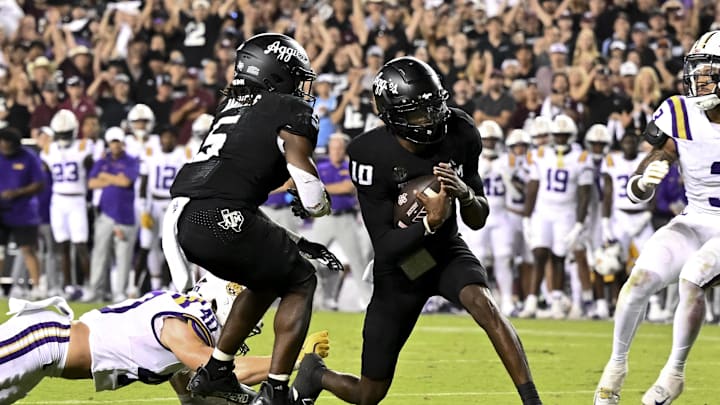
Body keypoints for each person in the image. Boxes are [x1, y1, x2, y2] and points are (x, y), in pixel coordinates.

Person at [322, 56, 542, 405]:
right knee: (368, 395)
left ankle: (533, 401)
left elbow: (477, 217)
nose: (431, 119)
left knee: (485, 305)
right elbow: (385, 245)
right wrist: (428, 222)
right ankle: (316, 375)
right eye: (417, 113)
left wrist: (465, 193)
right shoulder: (368, 153)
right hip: (400, 268)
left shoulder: (461, 130)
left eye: (434, 107)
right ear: (391, 115)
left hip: (444, 251)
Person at [167, 33, 333, 405]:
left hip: (183, 216)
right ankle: (276, 389)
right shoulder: (288, 107)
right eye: (296, 75)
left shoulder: (229, 108)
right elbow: (310, 192)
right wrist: (321, 202)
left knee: (265, 277)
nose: (301, 86)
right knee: (302, 278)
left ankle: (216, 371)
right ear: (275, 74)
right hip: (219, 214)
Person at [594, 31, 720, 405]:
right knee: (639, 281)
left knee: (693, 277)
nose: (698, 80)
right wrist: (641, 183)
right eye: (696, 72)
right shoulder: (680, 111)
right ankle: (615, 368)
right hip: (695, 217)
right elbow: (660, 154)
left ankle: (674, 373)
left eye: (708, 72)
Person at [0, 274, 330, 405]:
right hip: (41, 342)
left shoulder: (188, 328)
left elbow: (196, 389)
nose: (249, 323)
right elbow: (217, 370)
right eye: (248, 311)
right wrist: (294, 359)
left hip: (46, 354)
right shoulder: (182, 325)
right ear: (224, 303)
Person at [519, 114, 594, 319]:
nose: (560, 139)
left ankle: (557, 300)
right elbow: (533, 187)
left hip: (566, 212)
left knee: (559, 257)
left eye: (564, 135)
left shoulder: (581, 157)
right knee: (539, 253)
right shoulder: (541, 154)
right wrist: (527, 217)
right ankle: (532, 300)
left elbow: (584, 193)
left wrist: (579, 223)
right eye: (557, 135)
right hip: (543, 210)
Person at [303, 132, 372, 311]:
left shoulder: (351, 166)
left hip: (345, 219)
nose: (336, 151)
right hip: (324, 219)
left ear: (345, 149)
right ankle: (315, 300)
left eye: (339, 147)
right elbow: (311, 187)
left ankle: (367, 301)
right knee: (311, 259)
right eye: (333, 147)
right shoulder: (321, 166)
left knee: (358, 262)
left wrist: (323, 188)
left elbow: (349, 186)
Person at [41, 110, 94, 300]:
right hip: (58, 199)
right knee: (62, 244)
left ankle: (89, 285)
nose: (63, 137)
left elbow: (91, 166)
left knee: (80, 244)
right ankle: (68, 286)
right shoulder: (49, 149)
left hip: (77, 199)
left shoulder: (84, 146)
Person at [83, 127, 140, 303]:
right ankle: (95, 291)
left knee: (123, 257)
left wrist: (106, 177)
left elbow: (126, 181)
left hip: (125, 216)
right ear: (108, 143)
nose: (115, 145)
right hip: (106, 214)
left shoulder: (131, 160)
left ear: (123, 142)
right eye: (112, 141)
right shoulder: (101, 161)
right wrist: (115, 178)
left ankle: (120, 293)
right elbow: (91, 183)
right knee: (99, 254)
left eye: (118, 141)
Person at [134, 126, 191, 294]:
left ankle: (166, 285)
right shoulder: (151, 154)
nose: (166, 141)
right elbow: (144, 183)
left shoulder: (182, 155)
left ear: (175, 139)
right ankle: (133, 287)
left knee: (169, 246)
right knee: (145, 245)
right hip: (153, 205)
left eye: (170, 138)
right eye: (164, 137)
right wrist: (143, 208)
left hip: (172, 204)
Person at [0, 127, 45, 299]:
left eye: (7, 143)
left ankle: (37, 286)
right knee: (0, 251)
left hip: (24, 210)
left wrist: (17, 193)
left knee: (28, 249)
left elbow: (39, 183)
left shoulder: (28, 157)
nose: (4, 146)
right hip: (1, 210)